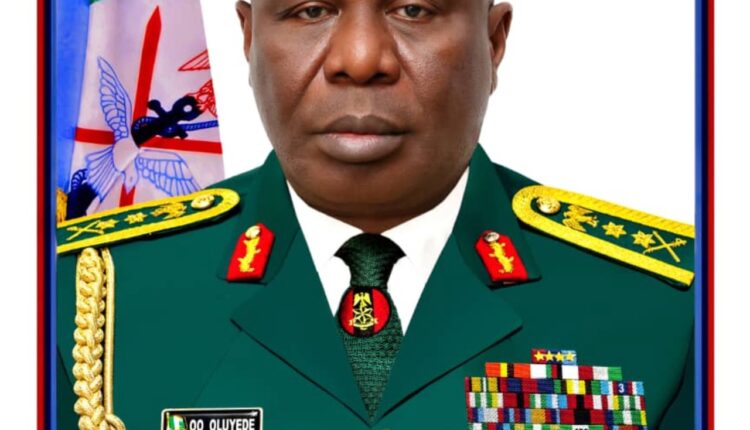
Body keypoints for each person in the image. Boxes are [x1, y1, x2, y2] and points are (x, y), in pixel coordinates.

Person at [55, 1, 695, 429]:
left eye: (414, 8)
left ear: (494, 40)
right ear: (248, 37)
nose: (360, 59)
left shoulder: (675, 307)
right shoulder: (85, 298)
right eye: (311, 9)